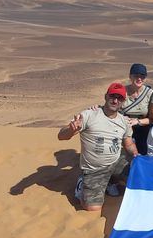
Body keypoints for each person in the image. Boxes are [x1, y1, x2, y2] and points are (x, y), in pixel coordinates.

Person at [57, 82, 138, 211]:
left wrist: (136, 155)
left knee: (139, 178)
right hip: (95, 169)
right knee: (93, 208)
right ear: (106, 96)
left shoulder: (124, 121)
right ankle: (82, 185)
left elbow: (128, 144)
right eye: (112, 96)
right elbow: (61, 136)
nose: (115, 100)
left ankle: (111, 180)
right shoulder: (90, 115)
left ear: (123, 101)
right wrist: (71, 129)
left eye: (119, 98)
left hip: (116, 162)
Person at [121, 63, 153, 155]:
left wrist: (138, 121)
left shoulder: (150, 94)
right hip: (125, 128)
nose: (139, 79)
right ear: (130, 76)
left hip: (144, 130)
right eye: (136, 76)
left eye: (142, 76)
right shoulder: (122, 92)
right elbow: (112, 107)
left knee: (143, 155)